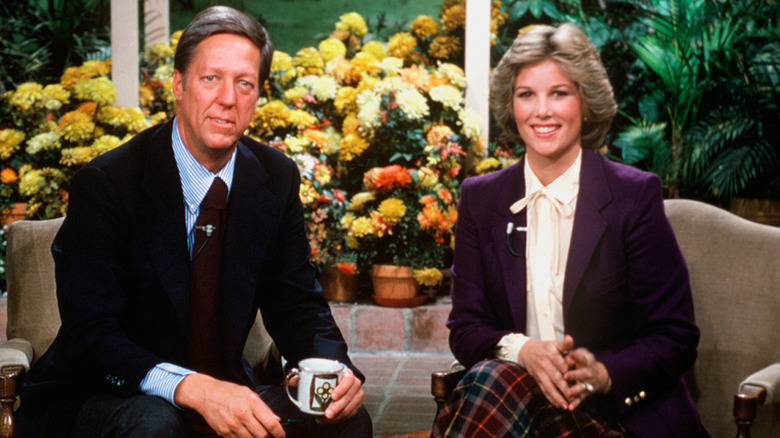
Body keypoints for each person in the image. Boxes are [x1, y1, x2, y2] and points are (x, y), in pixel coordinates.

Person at [18, 6, 371, 438]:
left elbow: (298, 305)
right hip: (107, 394)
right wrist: (191, 387)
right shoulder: (108, 183)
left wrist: (336, 370)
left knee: (345, 423)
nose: (228, 98)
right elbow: (92, 339)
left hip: (224, 388)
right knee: (156, 425)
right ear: (179, 85)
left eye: (245, 83)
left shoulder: (274, 177)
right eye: (211, 79)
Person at [432, 23, 708, 437]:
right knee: (496, 379)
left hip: (614, 414)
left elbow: (676, 336)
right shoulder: (481, 199)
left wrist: (603, 372)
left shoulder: (633, 196)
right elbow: (467, 329)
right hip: (514, 395)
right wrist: (523, 350)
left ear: (585, 101)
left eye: (559, 93)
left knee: (490, 387)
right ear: (511, 105)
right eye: (527, 94)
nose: (542, 110)